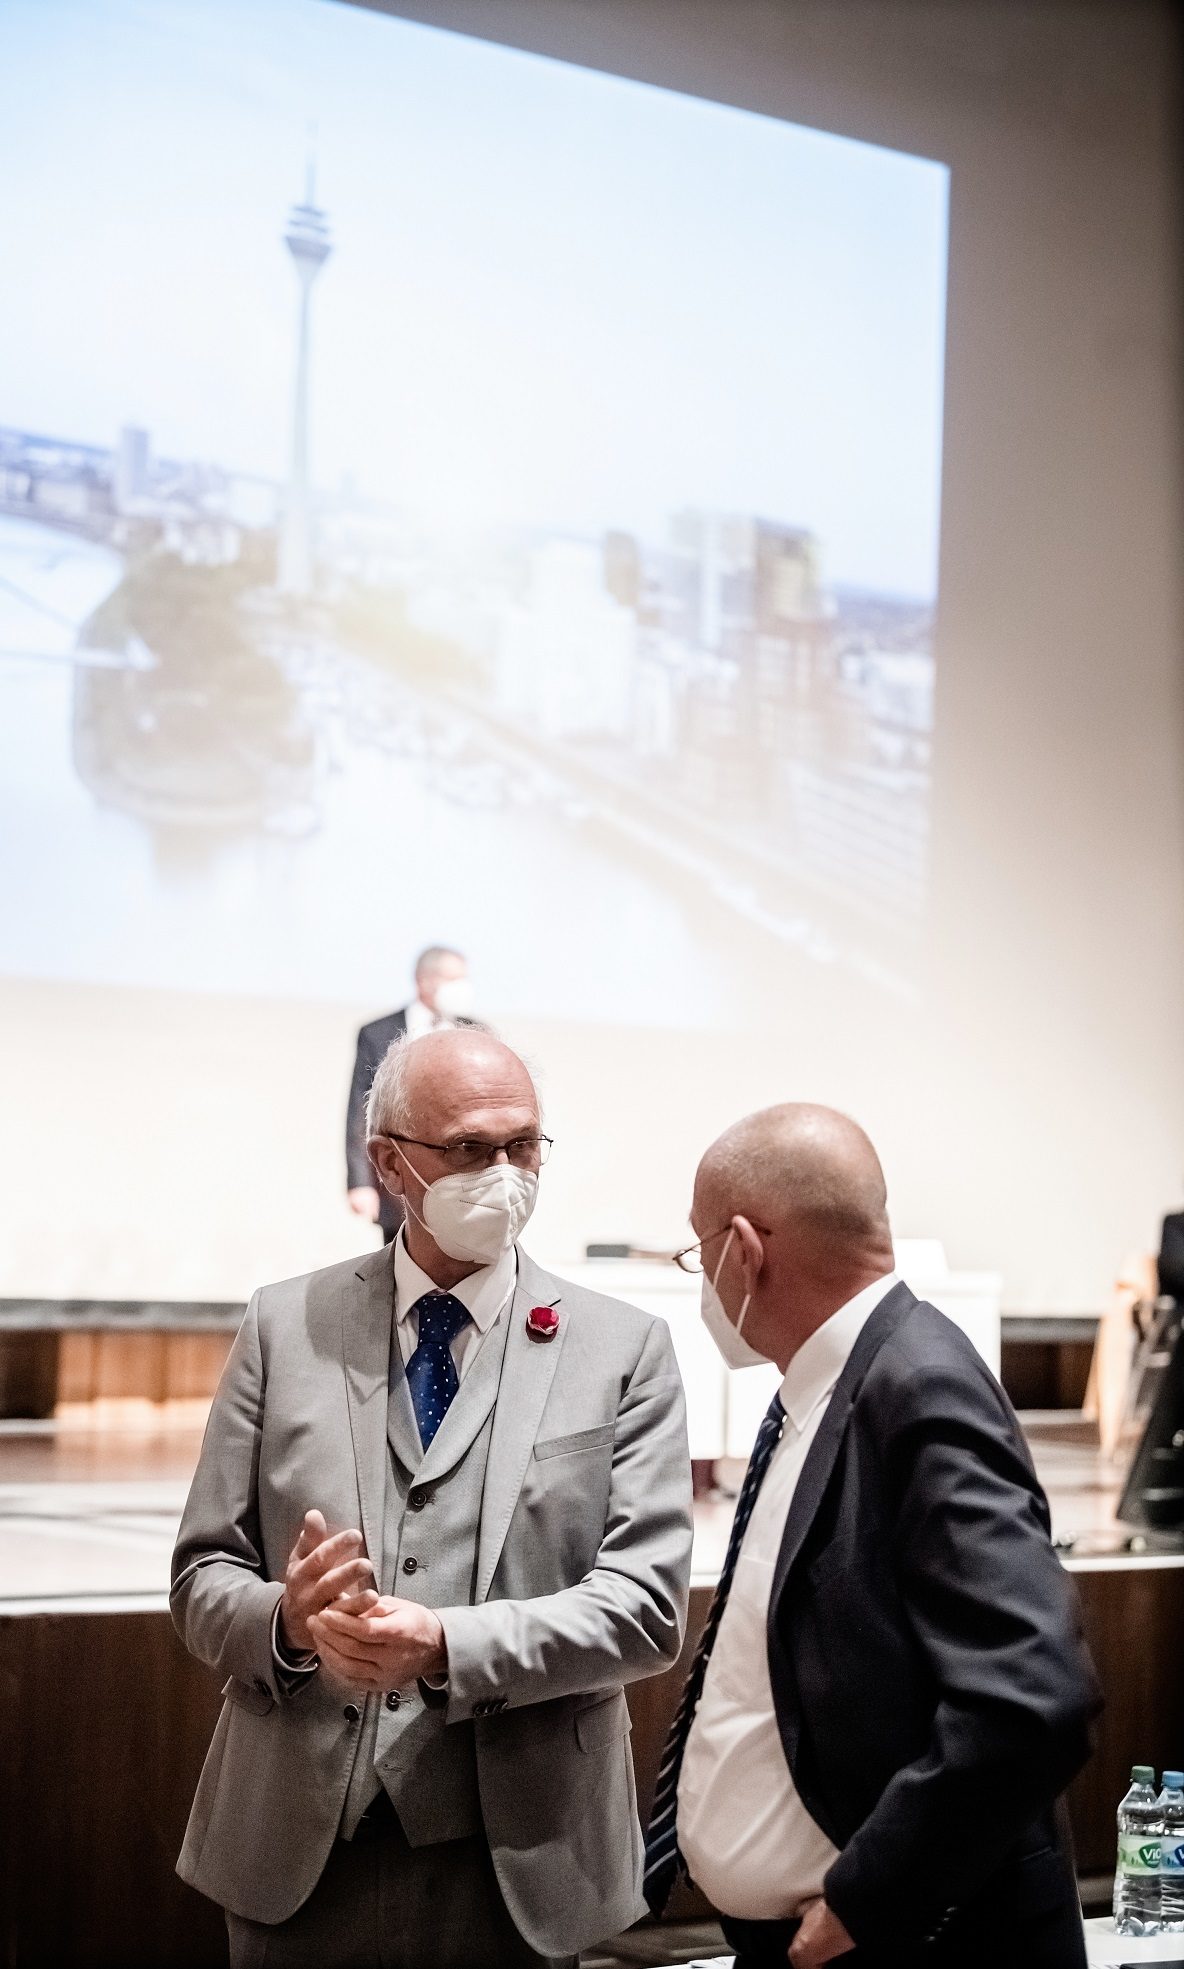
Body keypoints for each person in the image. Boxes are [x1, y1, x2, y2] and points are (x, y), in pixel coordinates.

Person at [172, 1026, 692, 1969]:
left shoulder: (625, 1349)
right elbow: (202, 1573)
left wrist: (447, 1645)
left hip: (519, 1863)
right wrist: (288, 1624)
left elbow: (647, 1610)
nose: (504, 1172)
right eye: (468, 1149)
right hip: (298, 1853)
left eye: (523, 1144)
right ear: (390, 1162)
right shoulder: (284, 1324)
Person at [645, 1103, 1101, 1969]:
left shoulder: (920, 1383)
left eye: (697, 1251)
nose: (702, 1275)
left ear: (744, 1248)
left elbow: (1032, 1698)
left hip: (905, 1942)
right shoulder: (825, 1386)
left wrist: (868, 1898)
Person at [345, 946, 476, 1243]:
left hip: (461, 1178)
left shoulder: (476, 1032)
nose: (464, 987)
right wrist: (359, 1182)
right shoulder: (376, 1033)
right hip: (400, 1175)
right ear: (425, 981)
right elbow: (359, 1111)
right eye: (454, 978)